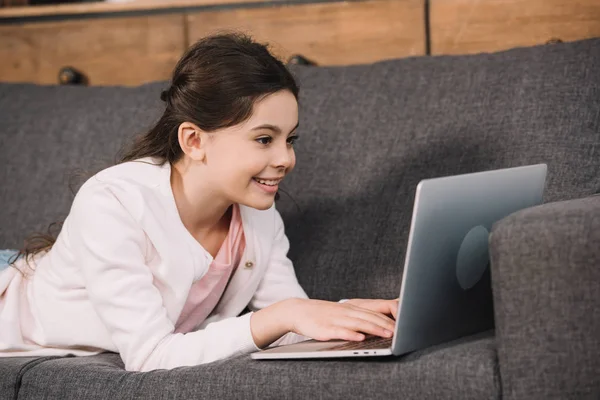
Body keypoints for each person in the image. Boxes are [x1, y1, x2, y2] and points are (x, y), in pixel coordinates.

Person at [0, 33, 397, 372]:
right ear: (193, 141)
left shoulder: (257, 215)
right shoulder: (114, 202)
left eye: (289, 139)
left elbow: (286, 321)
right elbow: (151, 355)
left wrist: (353, 316)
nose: (285, 159)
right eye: (264, 139)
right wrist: (283, 315)